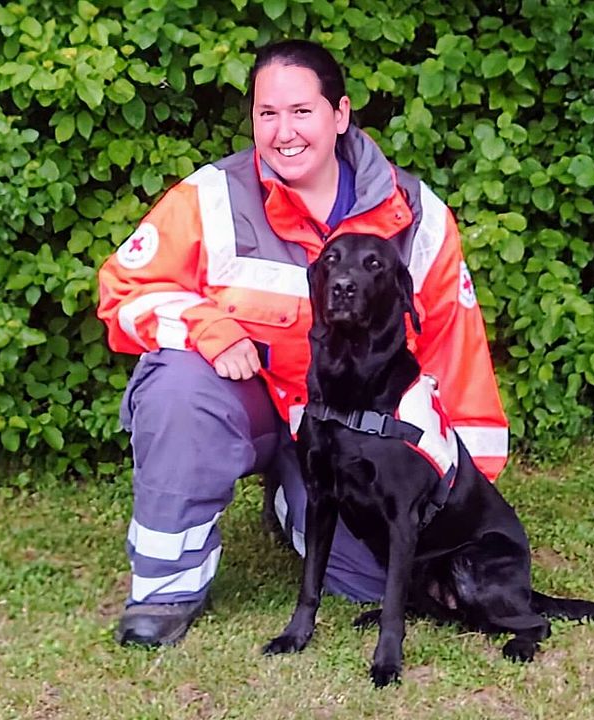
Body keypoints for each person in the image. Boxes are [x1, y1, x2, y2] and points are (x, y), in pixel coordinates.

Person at [96, 39, 509, 648]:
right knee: (179, 387)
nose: (283, 132)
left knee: (378, 580)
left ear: (339, 115)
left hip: (351, 429)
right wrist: (210, 328)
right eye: (267, 114)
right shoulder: (212, 198)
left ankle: (291, 500)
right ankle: (165, 591)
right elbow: (124, 291)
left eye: (301, 112)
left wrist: (463, 498)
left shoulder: (417, 216)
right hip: (247, 404)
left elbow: (456, 352)